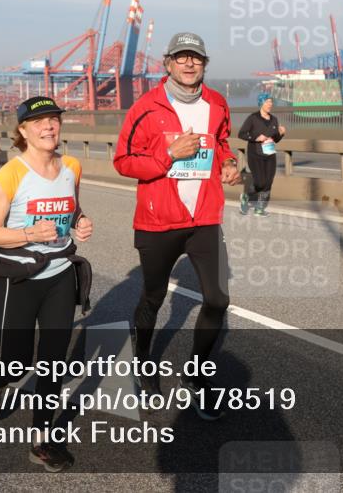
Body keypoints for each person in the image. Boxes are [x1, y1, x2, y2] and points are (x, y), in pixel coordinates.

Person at [114, 32, 240, 420]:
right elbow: (123, 160)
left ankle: (196, 377)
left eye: (196, 59)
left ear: (204, 64)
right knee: (153, 298)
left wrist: (229, 163)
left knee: (218, 299)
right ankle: (144, 367)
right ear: (167, 63)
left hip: (203, 217)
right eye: (181, 58)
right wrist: (168, 155)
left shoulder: (217, 103)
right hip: (158, 221)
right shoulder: (146, 107)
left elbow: (221, 143)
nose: (189, 64)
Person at [0, 96, 93, 472]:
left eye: (54, 120)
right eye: (39, 122)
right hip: (18, 279)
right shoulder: (11, 174)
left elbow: (70, 206)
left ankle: (42, 440)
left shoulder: (71, 166)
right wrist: (28, 232)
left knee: (53, 362)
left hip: (59, 274)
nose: (48, 127)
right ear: (23, 131)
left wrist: (81, 222)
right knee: (17, 360)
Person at [237, 92, 286, 216]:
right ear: (261, 103)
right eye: (267, 101)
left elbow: (275, 139)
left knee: (268, 181)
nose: (270, 104)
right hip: (255, 154)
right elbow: (241, 134)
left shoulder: (274, 120)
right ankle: (246, 197)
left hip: (270, 154)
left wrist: (281, 134)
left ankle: (259, 208)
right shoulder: (253, 118)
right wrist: (255, 137)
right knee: (259, 182)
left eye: (271, 101)